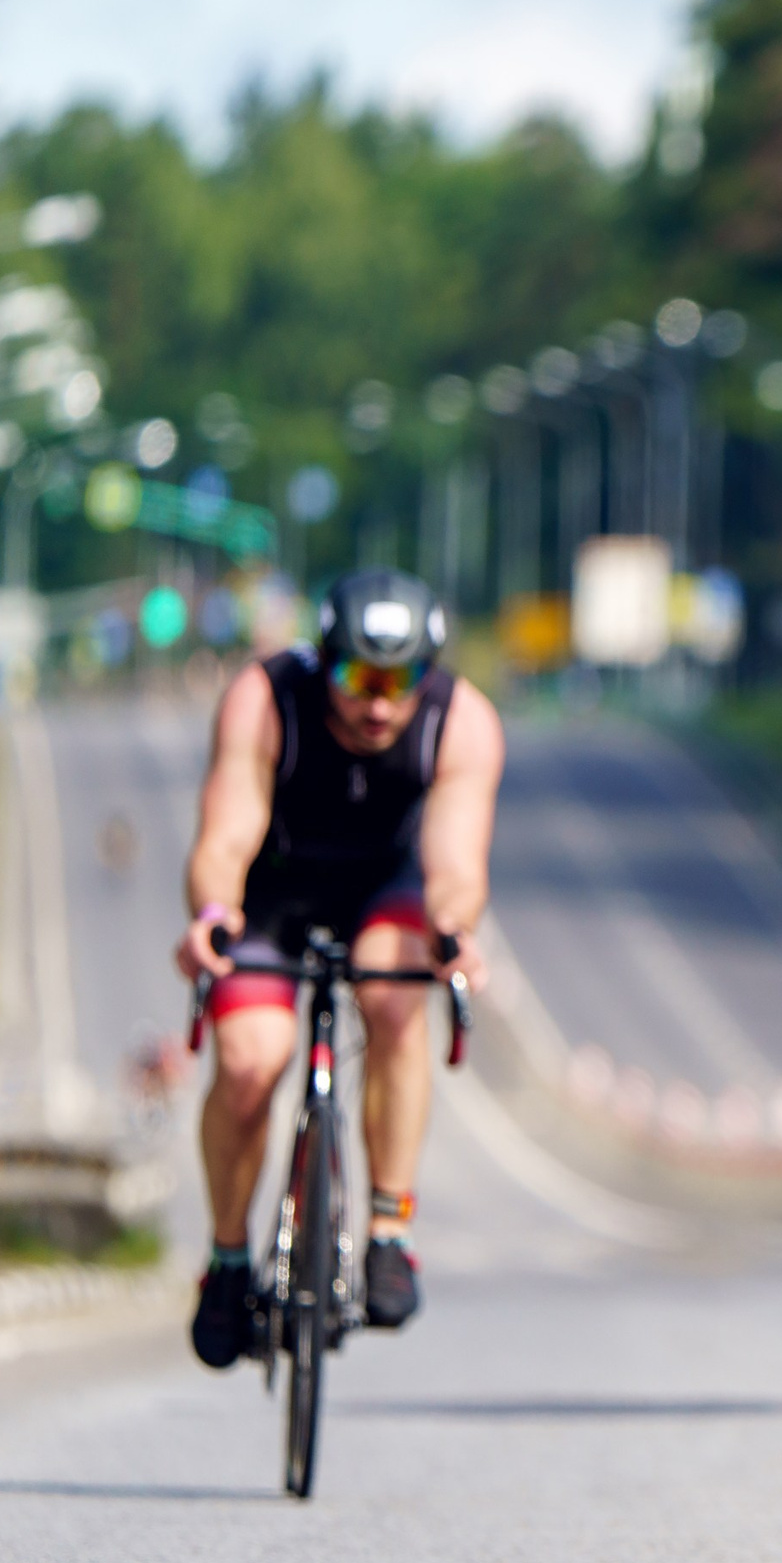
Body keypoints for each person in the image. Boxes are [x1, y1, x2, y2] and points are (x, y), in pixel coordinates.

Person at [175, 569, 504, 1369]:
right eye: (359, 679)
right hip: (275, 889)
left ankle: (389, 1230)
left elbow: (455, 861)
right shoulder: (264, 697)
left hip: (384, 890)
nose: (379, 705)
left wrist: (453, 930)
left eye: (400, 682)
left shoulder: (463, 721)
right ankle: (225, 1262)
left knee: (393, 1001)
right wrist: (214, 918)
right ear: (324, 662)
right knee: (252, 1061)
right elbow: (226, 834)